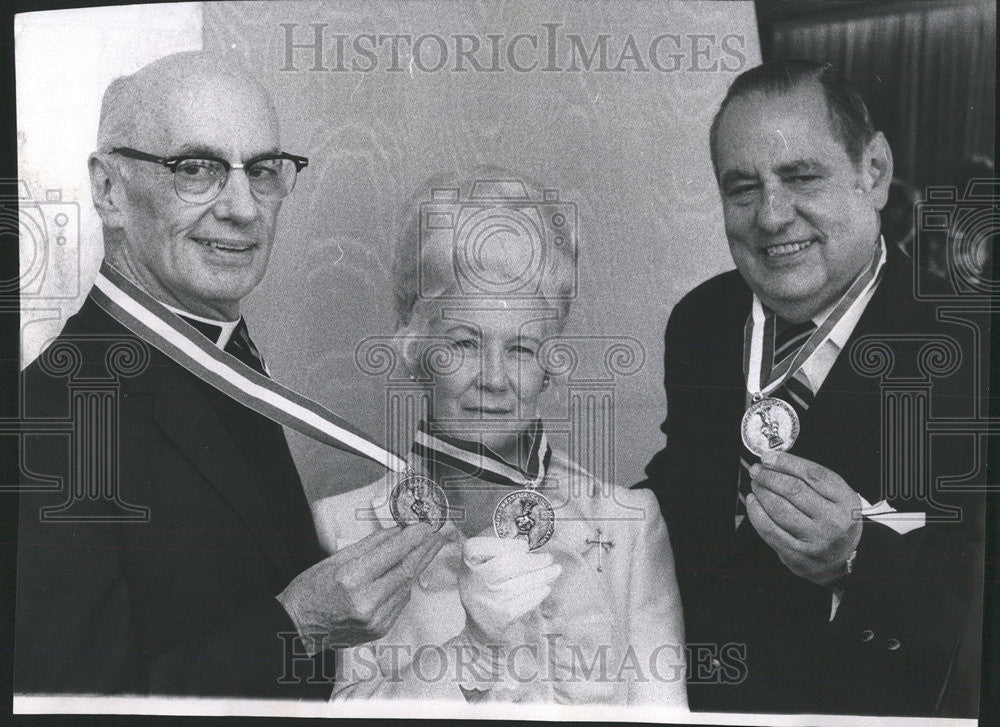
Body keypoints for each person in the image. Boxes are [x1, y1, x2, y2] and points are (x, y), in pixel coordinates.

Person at [15, 52, 443, 698]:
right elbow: (65, 708)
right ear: (108, 190)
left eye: (264, 170)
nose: (243, 207)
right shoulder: (50, 417)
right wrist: (300, 625)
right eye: (196, 168)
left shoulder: (221, 357)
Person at [638, 60, 985, 716]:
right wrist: (585, 518)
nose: (771, 216)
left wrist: (856, 555)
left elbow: (969, 594)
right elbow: (687, 480)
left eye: (801, 176)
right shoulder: (701, 320)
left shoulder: (967, 348)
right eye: (742, 188)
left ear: (873, 172)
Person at [311, 170, 689, 706]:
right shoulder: (341, 530)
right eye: (464, 343)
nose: (492, 378)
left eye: (520, 349)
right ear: (416, 350)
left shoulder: (627, 527)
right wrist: (472, 647)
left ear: (551, 366)